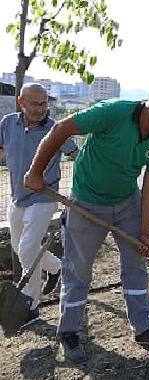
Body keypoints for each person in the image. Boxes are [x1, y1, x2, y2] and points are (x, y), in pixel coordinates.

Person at [24, 80, 149, 362]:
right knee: (78, 269)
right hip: (86, 201)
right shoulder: (114, 113)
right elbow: (61, 129)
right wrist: (35, 172)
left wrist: (146, 232)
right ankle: (69, 332)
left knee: (136, 262)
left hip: (127, 203)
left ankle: (144, 326)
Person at [0, 83, 77, 322]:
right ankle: (56, 268)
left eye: (44, 104)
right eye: (34, 104)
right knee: (20, 247)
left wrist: (82, 188)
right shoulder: (7, 123)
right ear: (21, 103)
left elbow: (76, 156)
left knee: (27, 249)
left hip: (45, 196)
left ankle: (30, 305)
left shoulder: (56, 129)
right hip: (17, 196)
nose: (40, 109)